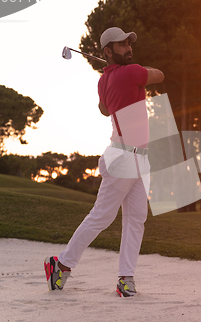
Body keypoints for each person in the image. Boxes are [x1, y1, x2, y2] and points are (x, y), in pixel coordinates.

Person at [44, 27, 164, 297]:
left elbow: (104, 109)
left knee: (136, 220)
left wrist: (112, 76)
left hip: (137, 157)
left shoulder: (104, 80)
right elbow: (159, 74)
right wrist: (124, 74)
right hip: (123, 157)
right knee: (102, 217)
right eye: (121, 45)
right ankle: (61, 265)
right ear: (107, 51)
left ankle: (125, 279)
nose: (129, 48)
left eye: (129, 43)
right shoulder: (132, 72)